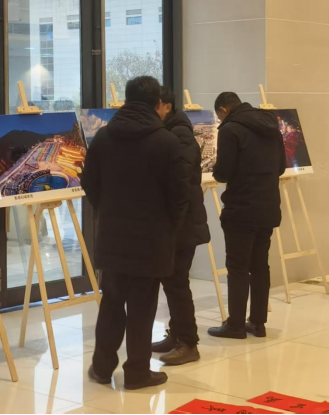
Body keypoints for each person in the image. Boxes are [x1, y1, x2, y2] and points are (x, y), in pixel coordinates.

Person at [82, 76, 190, 390]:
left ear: (126, 101)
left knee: (112, 303)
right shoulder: (167, 141)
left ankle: (102, 367)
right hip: (152, 239)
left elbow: (90, 183)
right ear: (158, 104)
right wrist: (169, 227)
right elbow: (179, 195)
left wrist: (108, 210)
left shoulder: (104, 137)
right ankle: (137, 372)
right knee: (143, 307)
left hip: (113, 236)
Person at [208, 92, 286, 340]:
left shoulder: (230, 129)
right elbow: (281, 167)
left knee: (238, 267)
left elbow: (223, 173)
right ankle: (258, 323)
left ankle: (235, 325)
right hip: (268, 206)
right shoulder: (271, 125)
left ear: (223, 110)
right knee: (260, 266)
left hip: (241, 208)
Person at [152, 88, 210, 365]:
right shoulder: (172, 130)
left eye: (154, 106)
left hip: (183, 223)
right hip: (179, 221)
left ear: (166, 106)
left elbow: (181, 178)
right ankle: (176, 335)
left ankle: (188, 343)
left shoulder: (180, 134)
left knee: (177, 283)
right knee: (172, 282)